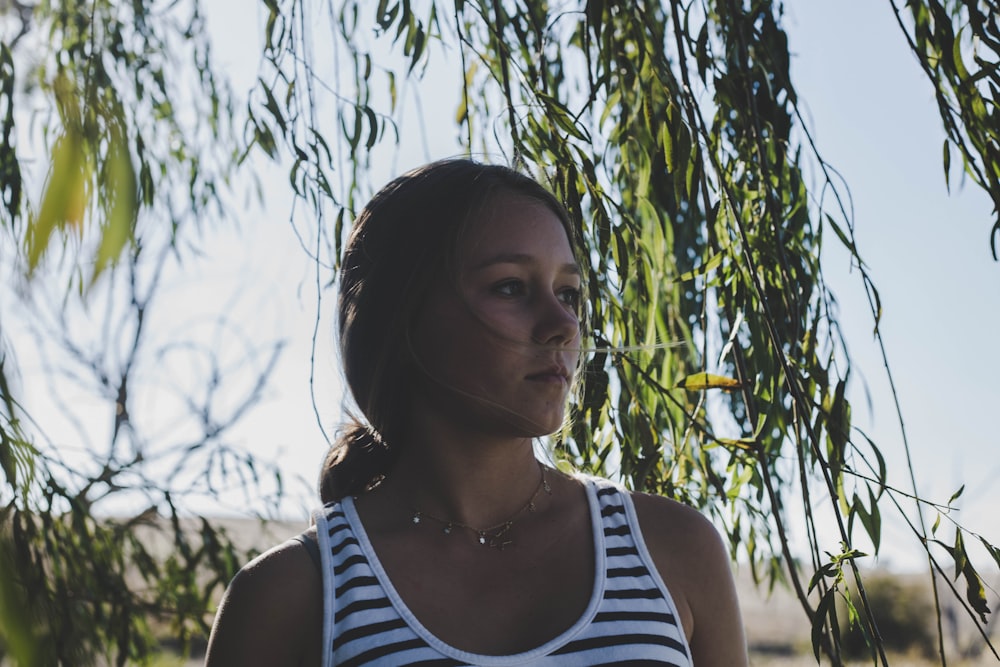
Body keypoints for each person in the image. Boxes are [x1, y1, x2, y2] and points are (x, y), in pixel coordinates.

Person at [205, 158, 748, 666]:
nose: (563, 324)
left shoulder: (672, 550)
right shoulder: (291, 597)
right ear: (404, 317)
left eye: (570, 293)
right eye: (511, 287)